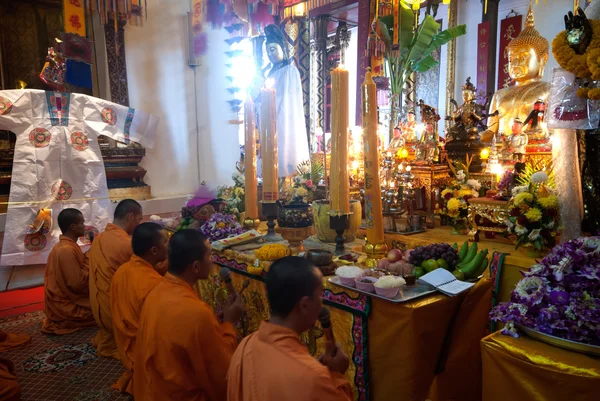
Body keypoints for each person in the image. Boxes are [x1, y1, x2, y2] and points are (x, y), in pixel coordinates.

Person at [133, 229, 244, 401]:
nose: (213, 260)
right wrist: (229, 324)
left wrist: (212, 323)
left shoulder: (156, 292)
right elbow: (223, 377)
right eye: (209, 256)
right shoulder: (196, 313)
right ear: (196, 267)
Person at [227, 256, 352, 401]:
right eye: (320, 294)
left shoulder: (244, 346)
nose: (321, 302)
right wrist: (336, 375)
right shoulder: (314, 378)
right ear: (304, 305)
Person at [110, 222, 169, 395]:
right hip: (148, 354)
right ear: (153, 251)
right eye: (166, 242)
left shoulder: (122, 271)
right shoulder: (153, 284)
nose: (169, 245)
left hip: (127, 350)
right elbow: (162, 332)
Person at [89, 199, 143, 358]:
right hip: (115, 316)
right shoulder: (127, 244)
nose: (139, 224)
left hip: (98, 311)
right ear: (131, 216)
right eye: (139, 219)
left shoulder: (99, 238)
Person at [42, 208, 96, 334]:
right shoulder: (66, 250)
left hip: (67, 299)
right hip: (67, 305)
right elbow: (76, 284)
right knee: (106, 309)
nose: (84, 226)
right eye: (82, 223)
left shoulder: (66, 246)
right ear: (73, 226)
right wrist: (89, 257)